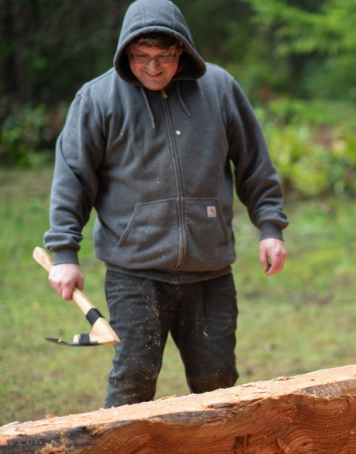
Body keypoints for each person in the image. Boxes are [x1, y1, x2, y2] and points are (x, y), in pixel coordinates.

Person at [43, 0, 289, 407]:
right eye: (141, 57)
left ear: (182, 51)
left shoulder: (220, 89)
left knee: (219, 386)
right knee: (134, 384)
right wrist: (65, 252)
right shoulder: (97, 99)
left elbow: (255, 164)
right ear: (126, 53)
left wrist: (270, 228)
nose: (153, 67)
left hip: (209, 273)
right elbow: (72, 178)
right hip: (135, 274)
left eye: (163, 56)